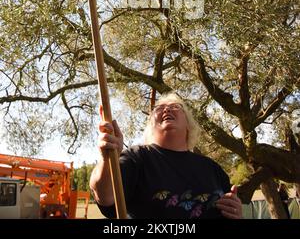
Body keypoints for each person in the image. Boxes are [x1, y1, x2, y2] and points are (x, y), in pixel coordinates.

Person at [90, 92, 243, 219]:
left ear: (188, 124)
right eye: (160, 108)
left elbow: (231, 211)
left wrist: (237, 212)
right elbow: (105, 196)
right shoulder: (136, 158)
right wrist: (107, 160)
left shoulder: (211, 168)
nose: (166, 110)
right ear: (150, 124)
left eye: (175, 107)